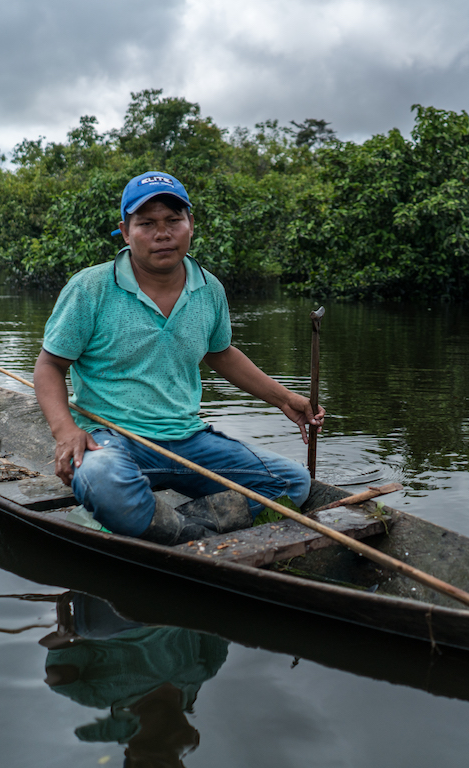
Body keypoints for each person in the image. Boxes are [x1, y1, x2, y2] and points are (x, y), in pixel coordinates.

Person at [33, 171, 323, 544]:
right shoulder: (91, 288)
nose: (162, 233)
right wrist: (65, 432)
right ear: (125, 231)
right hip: (111, 437)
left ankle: (169, 525)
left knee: (291, 484)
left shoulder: (209, 288)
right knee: (101, 480)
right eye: (147, 223)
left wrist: (286, 399)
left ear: (190, 224)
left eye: (173, 220)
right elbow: (50, 365)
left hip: (187, 439)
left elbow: (220, 354)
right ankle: (173, 527)